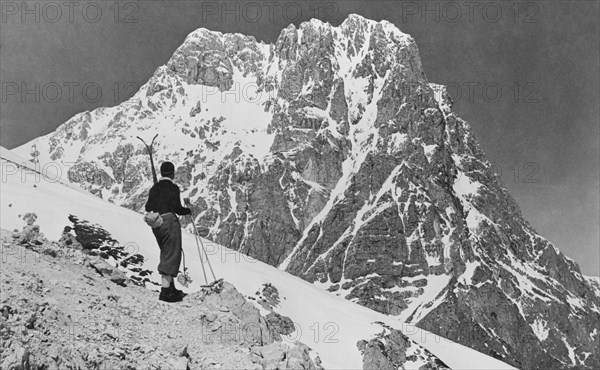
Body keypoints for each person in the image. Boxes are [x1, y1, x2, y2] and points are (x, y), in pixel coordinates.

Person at [145, 161, 191, 302]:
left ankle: (171, 288)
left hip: (156, 224)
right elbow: (176, 208)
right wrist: (188, 210)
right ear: (172, 173)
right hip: (170, 222)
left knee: (166, 252)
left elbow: (148, 207)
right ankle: (166, 292)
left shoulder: (155, 188)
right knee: (171, 254)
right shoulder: (173, 188)